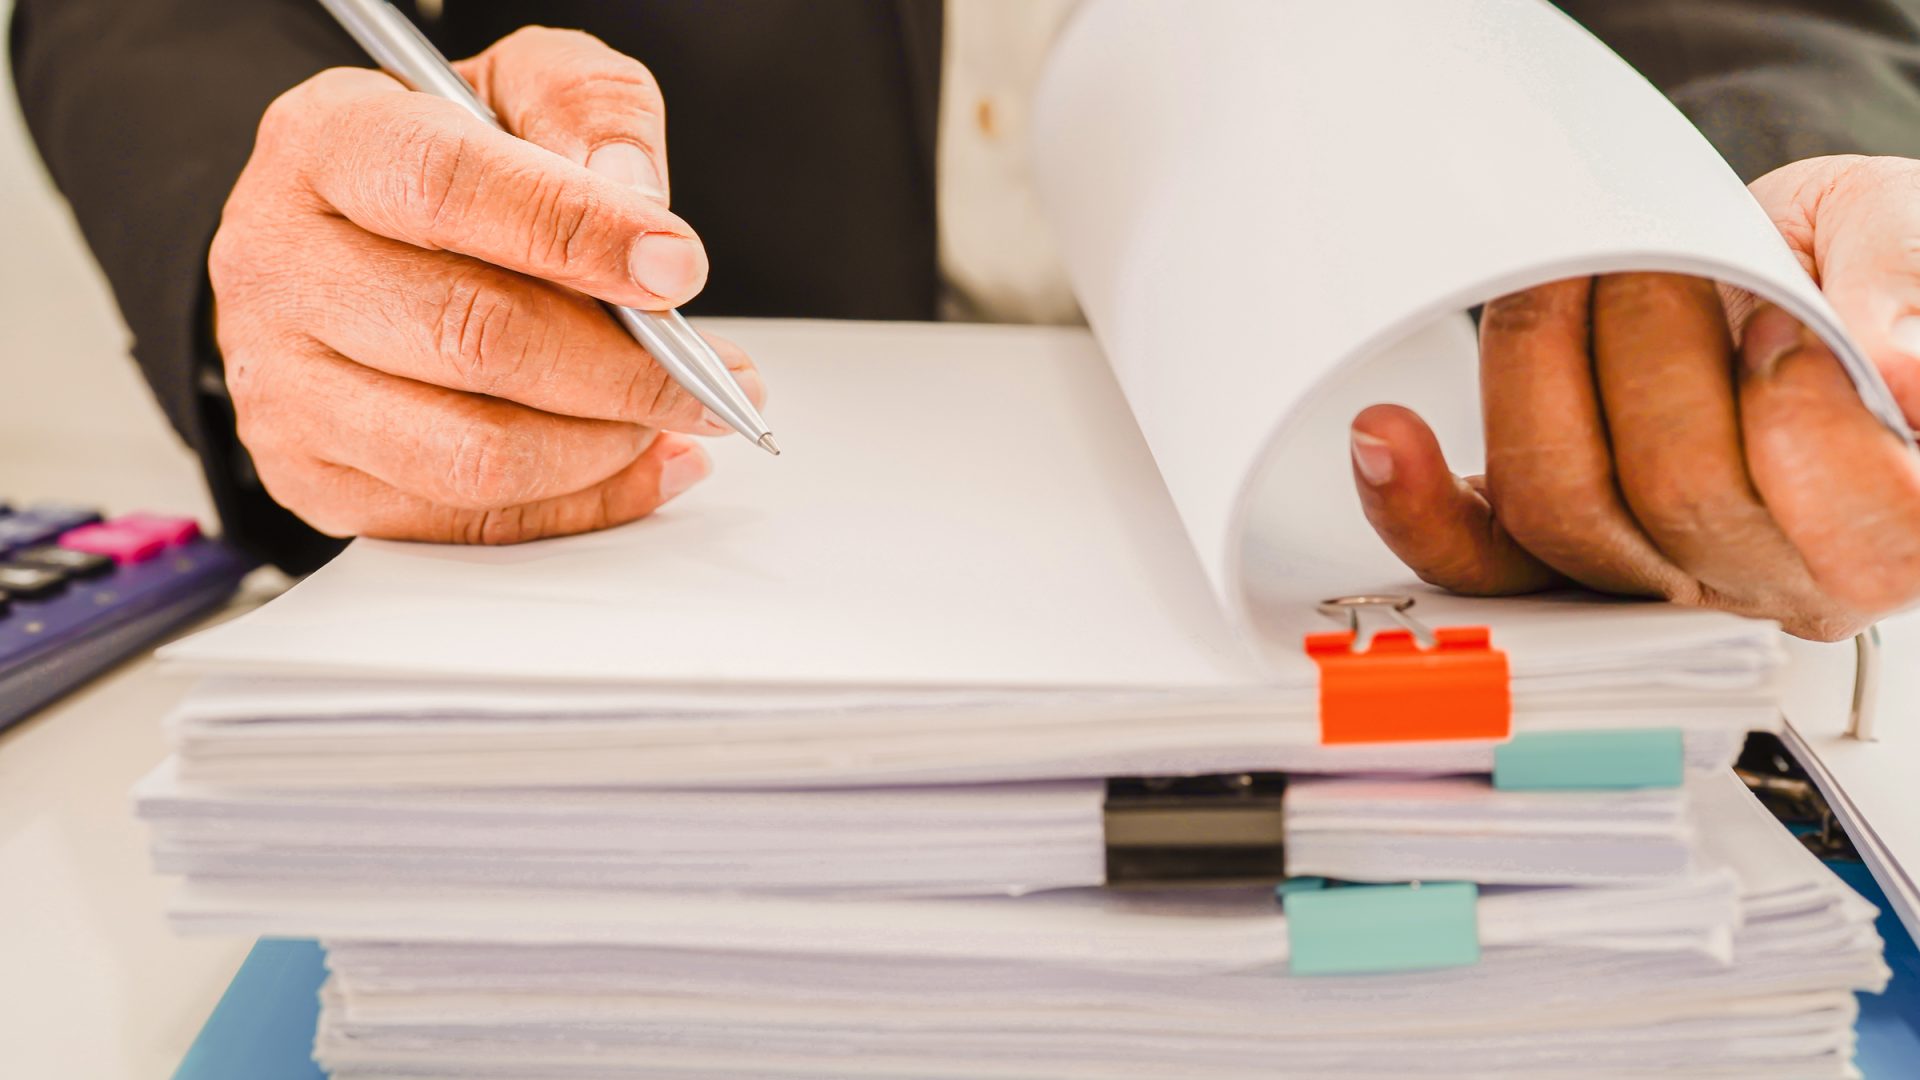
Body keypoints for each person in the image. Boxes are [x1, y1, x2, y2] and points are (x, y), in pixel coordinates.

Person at [12, 0, 1920, 641]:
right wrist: (271, 257)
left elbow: (1763, 28)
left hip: (1438, 466)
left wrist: (1764, 224)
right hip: (673, 551)